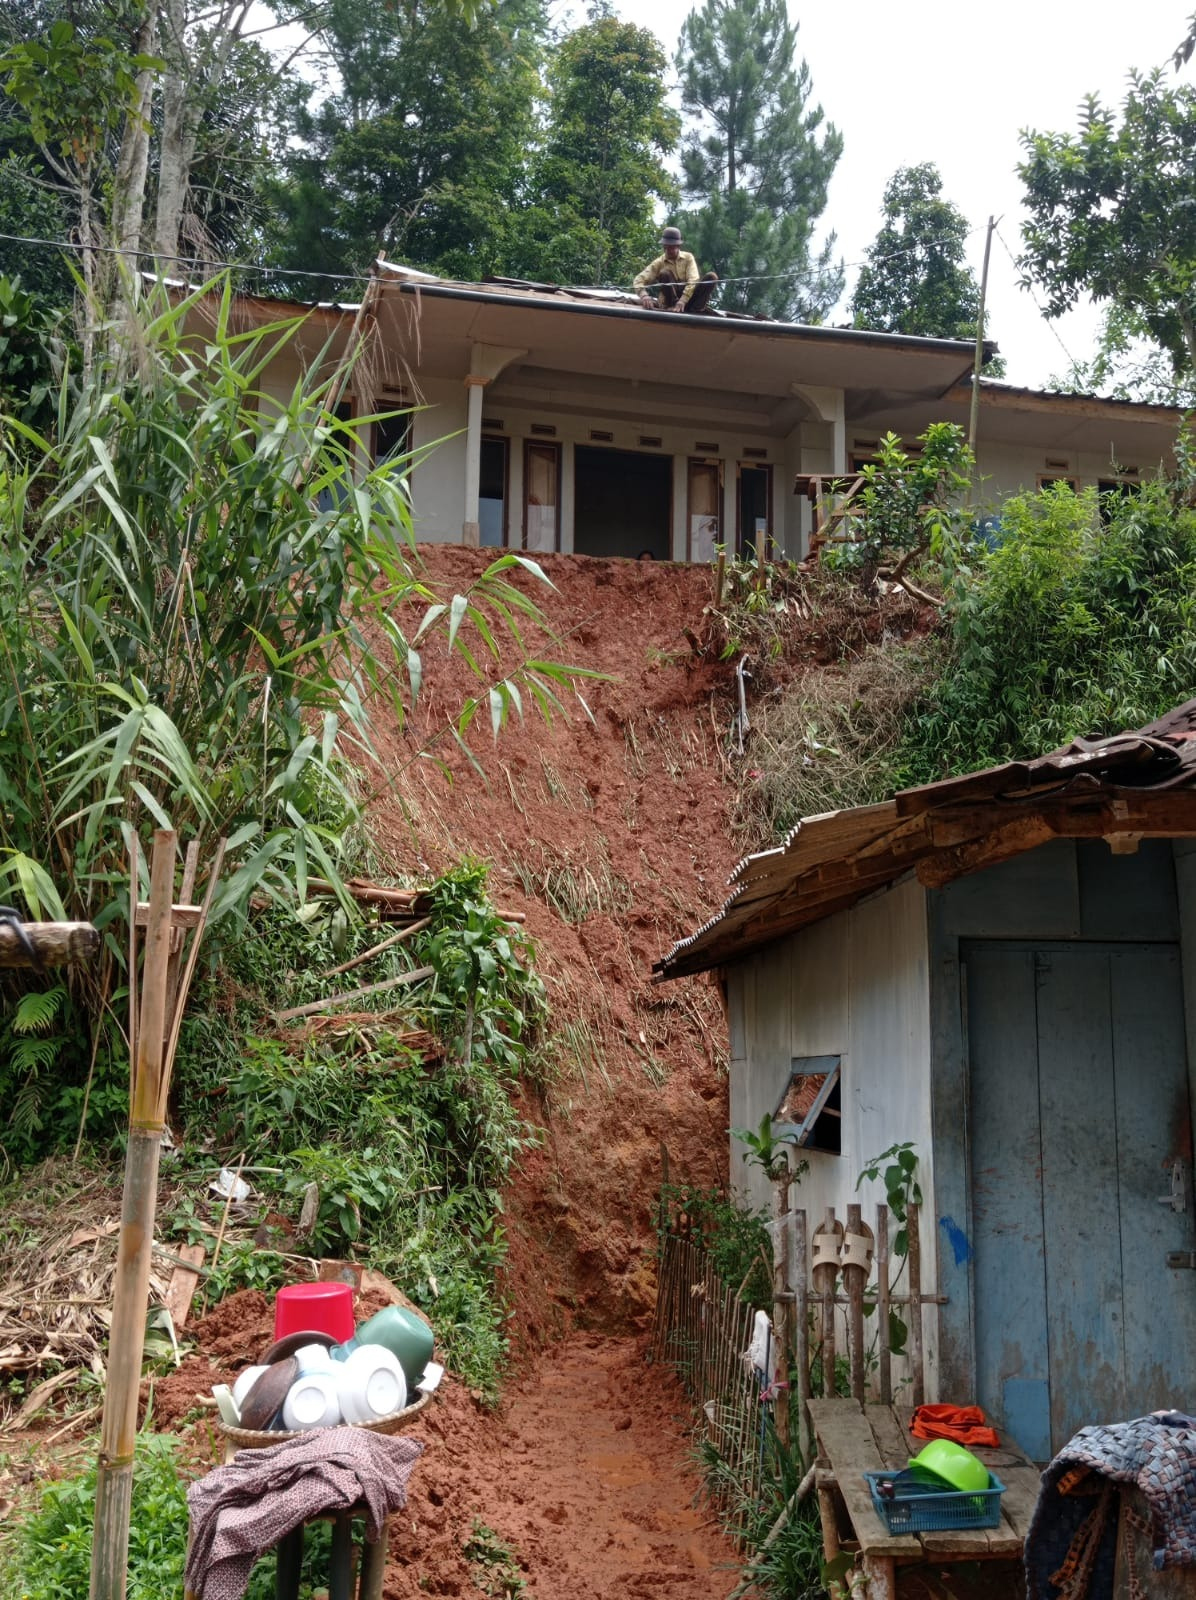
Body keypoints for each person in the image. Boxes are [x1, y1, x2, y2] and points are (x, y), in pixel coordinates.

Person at [634, 227, 719, 315]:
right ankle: (673, 307)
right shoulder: (659, 262)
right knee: (664, 273)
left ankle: (696, 310)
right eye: (665, 247)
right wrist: (644, 295)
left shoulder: (688, 258)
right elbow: (638, 280)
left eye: (671, 247)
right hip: (670, 303)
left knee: (712, 277)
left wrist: (683, 300)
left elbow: (693, 280)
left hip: (689, 301)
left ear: (678, 246)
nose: (668, 250)